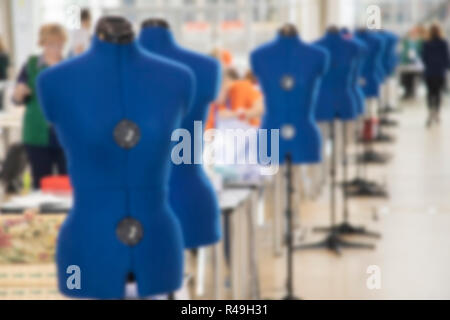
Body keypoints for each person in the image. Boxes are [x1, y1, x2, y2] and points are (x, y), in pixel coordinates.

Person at [12, 24, 68, 190]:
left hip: (65, 134)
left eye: (59, 44)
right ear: (42, 43)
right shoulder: (31, 65)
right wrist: (18, 93)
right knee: (41, 183)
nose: (55, 49)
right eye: (50, 44)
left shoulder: (68, 66)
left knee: (67, 183)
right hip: (36, 133)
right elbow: (16, 100)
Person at [421, 23, 450, 127]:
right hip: (440, 72)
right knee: (438, 93)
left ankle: (430, 111)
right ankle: (437, 113)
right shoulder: (443, 43)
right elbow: (446, 58)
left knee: (430, 93)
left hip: (429, 72)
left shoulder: (426, 43)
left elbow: (423, 58)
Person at [0, 36, 9, 111]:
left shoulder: (4, 53)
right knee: (2, 93)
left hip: (2, 76)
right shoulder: (4, 53)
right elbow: (7, 65)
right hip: (3, 76)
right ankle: (1, 107)